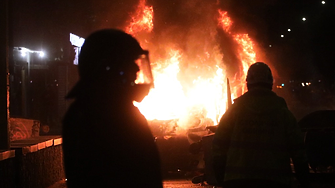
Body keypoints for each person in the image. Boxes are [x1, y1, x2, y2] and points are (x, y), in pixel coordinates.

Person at [62, 29, 163, 188]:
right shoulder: (98, 117)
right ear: (109, 69)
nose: (137, 71)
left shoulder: (112, 110)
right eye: (130, 63)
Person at [212, 62, 310, 188]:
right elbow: (298, 150)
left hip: (238, 180)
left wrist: (221, 177)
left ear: (248, 82)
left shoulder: (235, 110)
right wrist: (304, 180)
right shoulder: (282, 112)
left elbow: (219, 145)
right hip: (274, 181)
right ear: (271, 82)